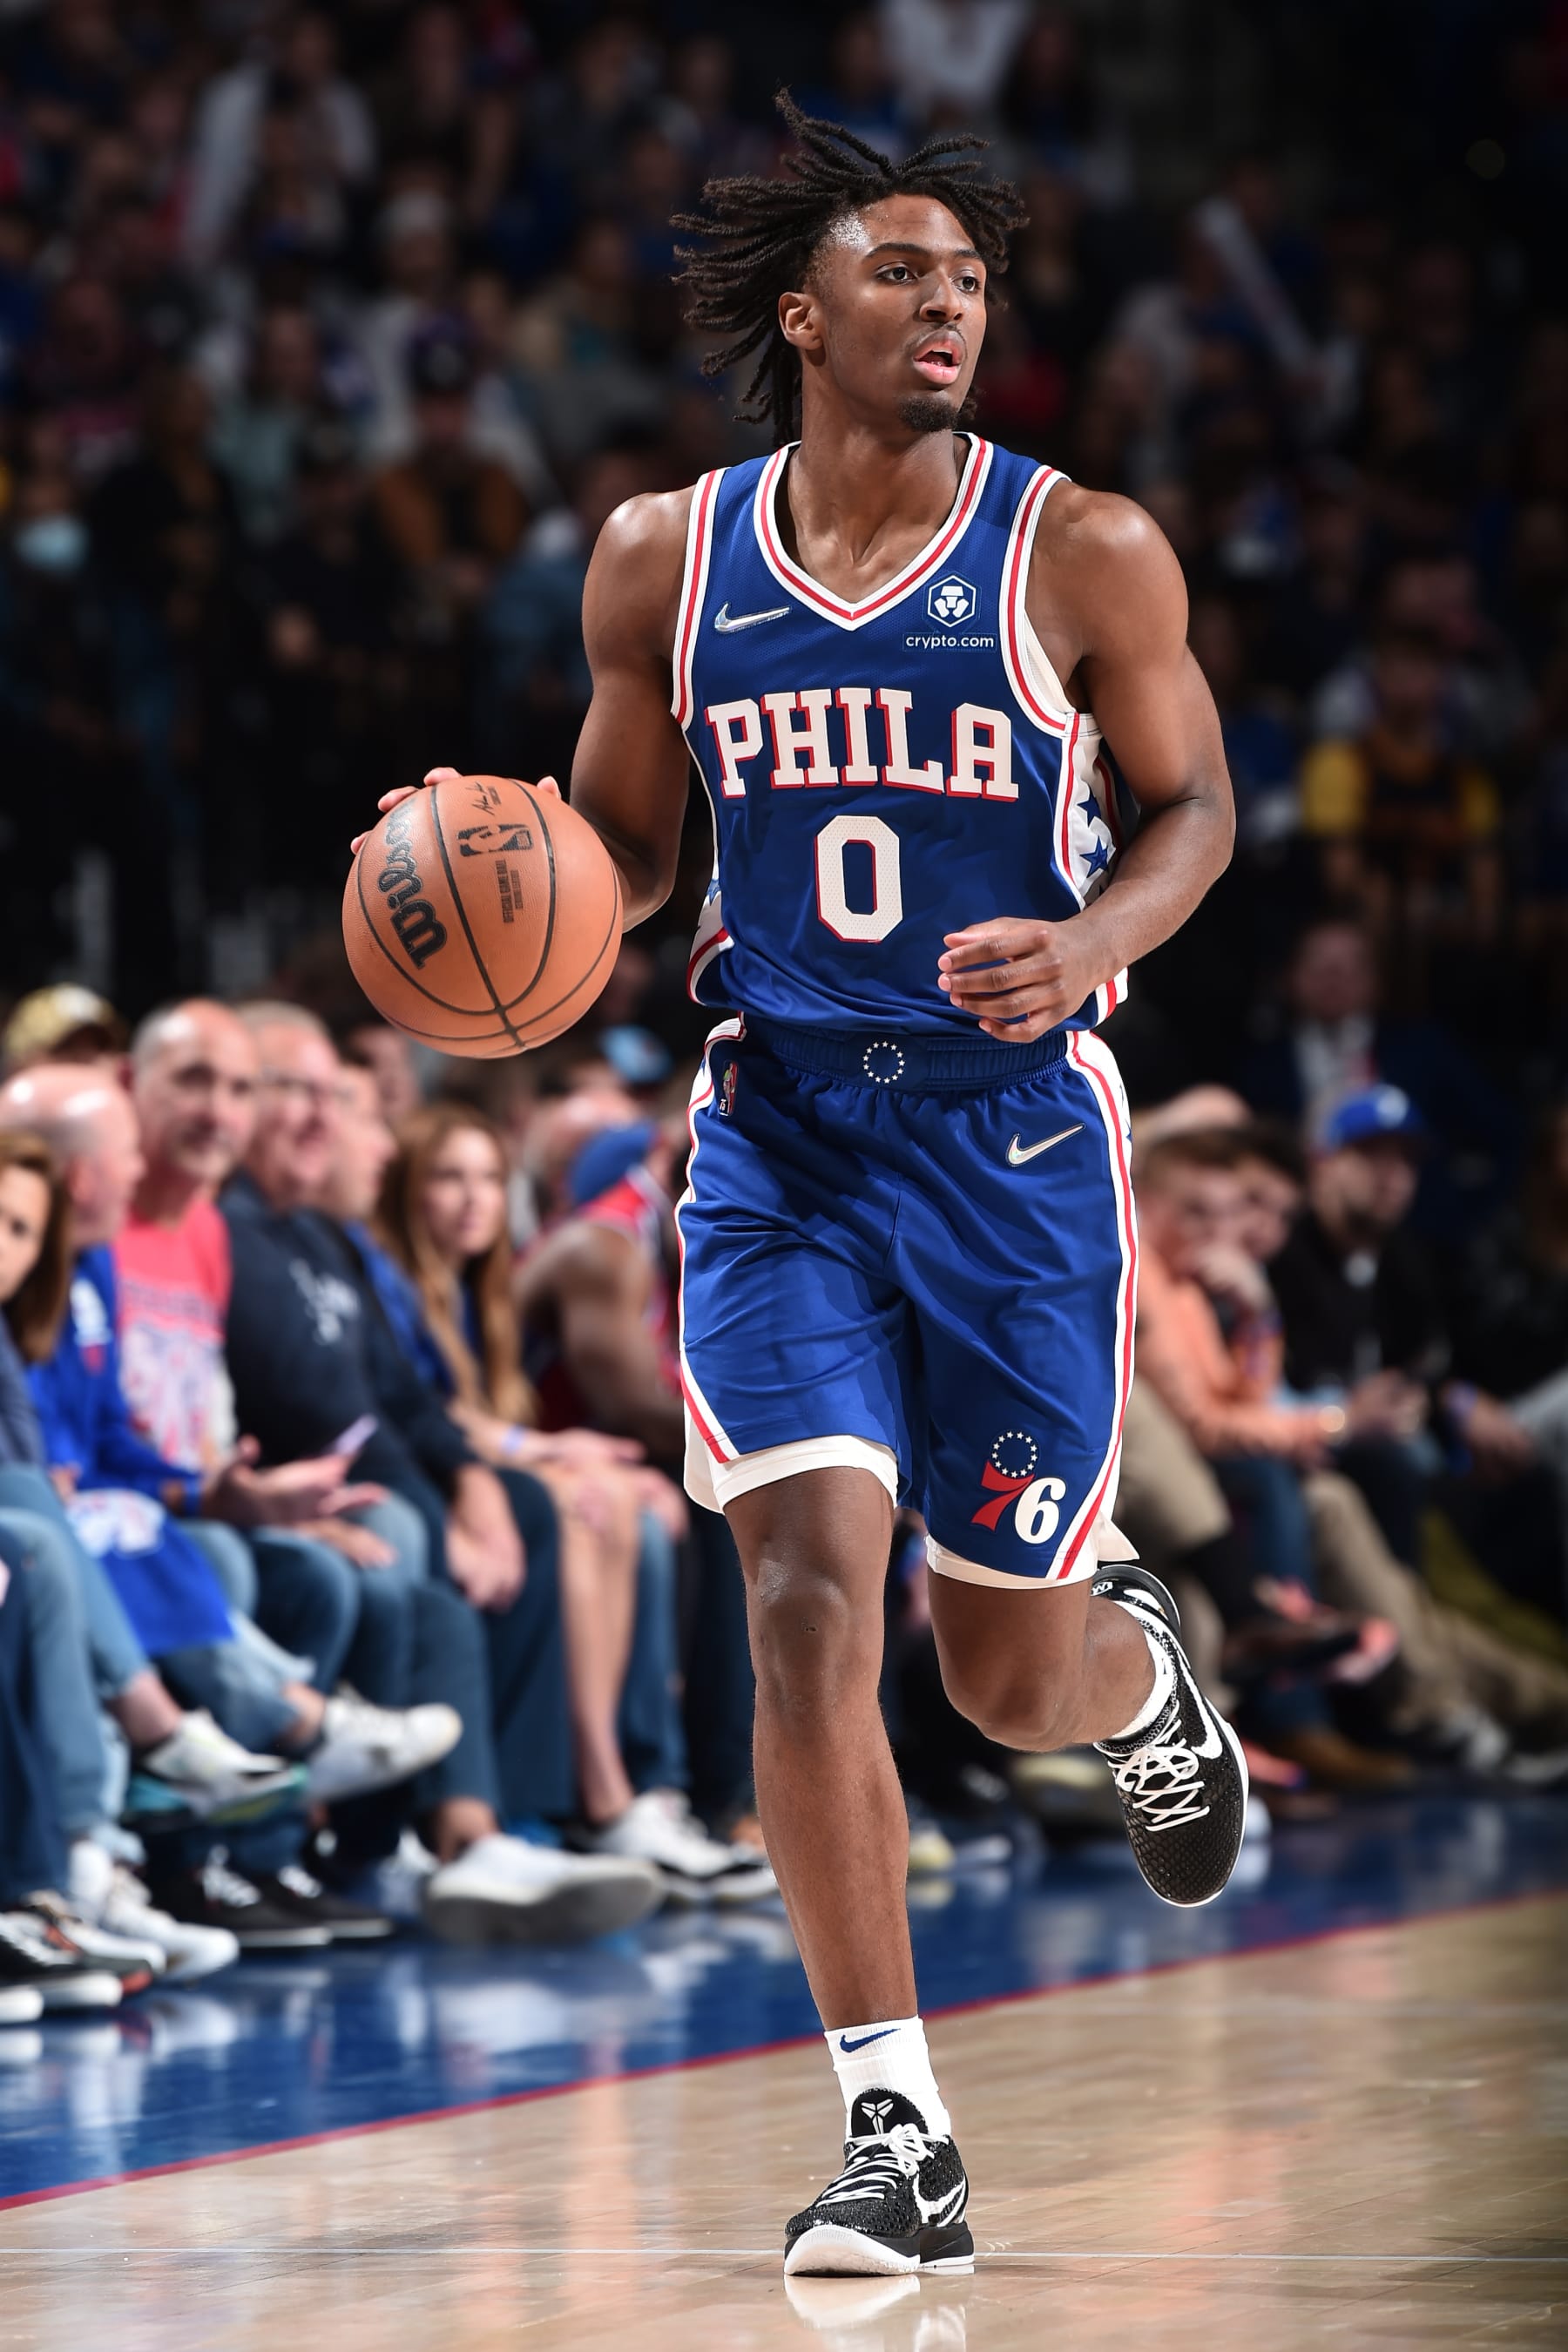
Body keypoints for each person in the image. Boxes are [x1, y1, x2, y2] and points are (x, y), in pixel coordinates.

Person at [364, 98, 1248, 2274]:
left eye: (970, 281)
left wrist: (1095, 938)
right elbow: (629, 853)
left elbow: (1197, 806)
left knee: (999, 1676)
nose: (949, 309)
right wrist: (492, 875)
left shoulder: (1084, 552)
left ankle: (1135, 1678)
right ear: (801, 310)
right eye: (903, 275)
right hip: (778, 1137)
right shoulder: (664, 554)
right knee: (805, 1598)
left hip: (1013, 1133)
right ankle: (896, 2126)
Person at [371, 1096, 773, 1900]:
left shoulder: (474, 1289)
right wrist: (547, 1452)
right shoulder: (597, 1247)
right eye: (449, 1178)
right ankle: (613, 1792)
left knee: (636, 1506)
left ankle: (645, 1792)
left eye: (488, 1177)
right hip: (457, 1478)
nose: (474, 1197)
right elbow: (438, 1416)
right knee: (630, 1503)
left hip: (528, 1470)